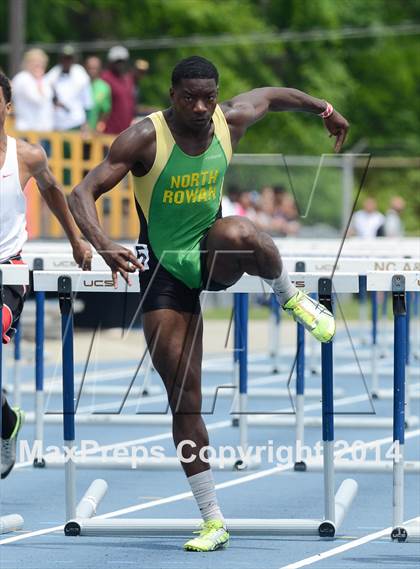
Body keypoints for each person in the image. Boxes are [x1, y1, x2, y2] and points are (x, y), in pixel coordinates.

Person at [69, 56, 349, 552]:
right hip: (162, 273)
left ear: (217, 95)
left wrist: (322, 107)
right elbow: (83, 192)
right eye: (189, 98)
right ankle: (212, 518)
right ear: (172, 95)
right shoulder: (142, 138)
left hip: (211, 251)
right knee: (184, 397)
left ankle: (291, 298)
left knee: (244, 231)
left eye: (209, 97)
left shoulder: (229, 120)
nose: (200, 107)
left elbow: (274, 94)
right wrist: (103, 242)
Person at [0, 72, 91, 480]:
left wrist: (76, 239)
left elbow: (54, 190)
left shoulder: (26, 156)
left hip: (8, 270)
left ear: (7, 106)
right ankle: (6, 419)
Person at [46, 45, 92, 132]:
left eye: (69, 58)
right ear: (60, 59)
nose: (66, 61)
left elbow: (87, 102)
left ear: (73, 60)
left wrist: (87, 123)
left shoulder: (80, 73)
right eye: (64, 58)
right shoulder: (53, 73)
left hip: (76, 123)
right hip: (57, 125)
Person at [11, 48, 54, 132]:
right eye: (34, 61)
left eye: (41, 61)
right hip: (26, 130)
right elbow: (37, 99)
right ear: (27, 63)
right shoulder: (23, 78)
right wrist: (39, 81)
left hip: (44, 130)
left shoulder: (44, 79)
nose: (38, 64)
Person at [101, 46, 136, 134]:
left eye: (122, 61)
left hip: (127, 132)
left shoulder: (128, 79)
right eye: (117, 61)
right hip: (109, 132)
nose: (120, 64)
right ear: (110, 62)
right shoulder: (105, 78)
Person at [85, 56, 112, 133]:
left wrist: (100, 126)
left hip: (94, 133)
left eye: (95, 68)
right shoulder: (79, 84)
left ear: (100, 69)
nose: (92, 71)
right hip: (75, 131)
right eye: (90, 68)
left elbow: (106, 111)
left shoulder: (104, 87)